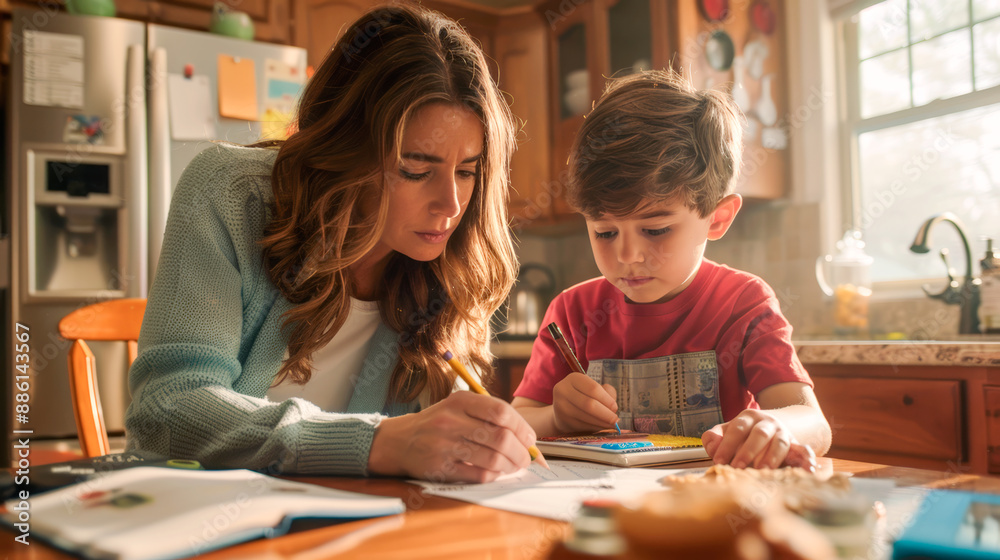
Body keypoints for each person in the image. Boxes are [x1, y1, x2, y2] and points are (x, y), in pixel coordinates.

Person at [125, 4, 537, 483]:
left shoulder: (445, 266)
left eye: (467, 171)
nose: (450, 204)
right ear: (346, 151)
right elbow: (168, 408)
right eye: (415, 170)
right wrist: (379, 442)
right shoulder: (230, 195)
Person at [512, 70, 832, 470]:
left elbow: (813, 423)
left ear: (717, 218)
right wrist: (555, 418)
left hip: (706, 511)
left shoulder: (743, 303)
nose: (627, 255)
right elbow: (517, 421)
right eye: (604, 231)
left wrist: (774, 425)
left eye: (656, 229)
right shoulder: (573, 312)